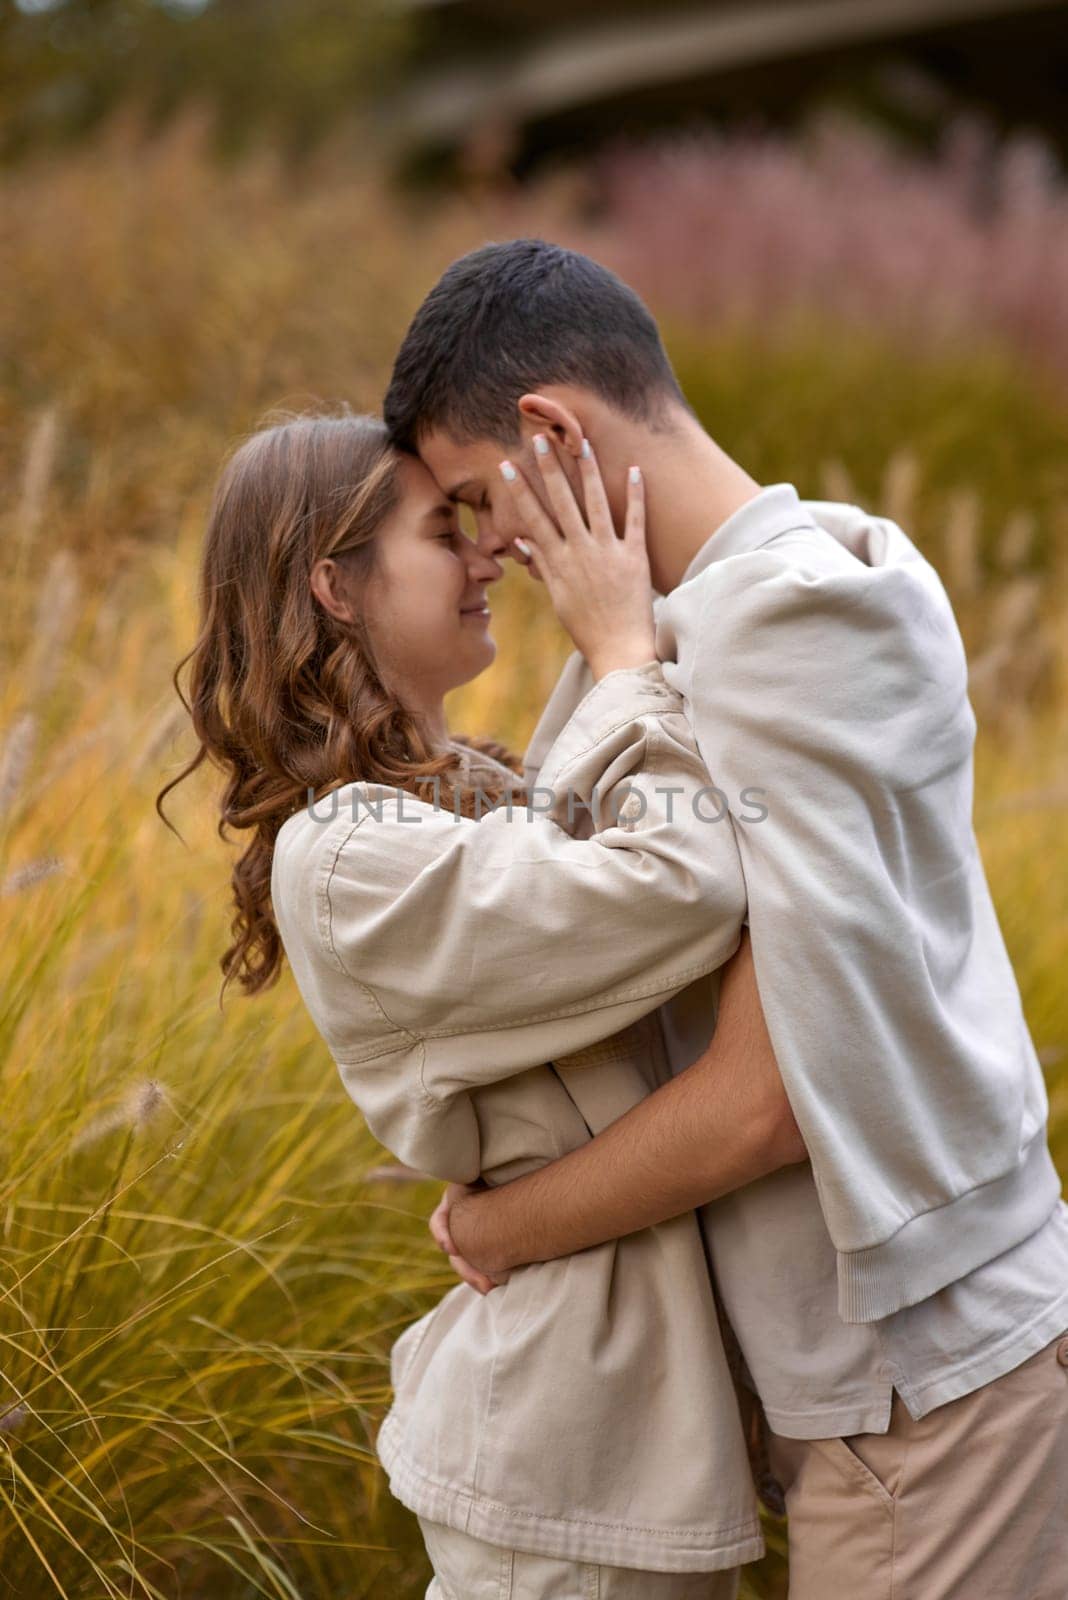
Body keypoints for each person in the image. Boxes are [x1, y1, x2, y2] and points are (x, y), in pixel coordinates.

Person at [382, 238, 1068, 1600]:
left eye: (476, 498)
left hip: (926, 1399)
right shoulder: (691, 621)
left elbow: (769, 1097)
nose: (489, 550)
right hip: (873, 1392)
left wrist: (501, 1232)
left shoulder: (777, 625)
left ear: (551, 431)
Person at [159, 406, 809, 1599]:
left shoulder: (469, 794)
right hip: (562, 1465)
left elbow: (643, 796)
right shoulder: (346, 857)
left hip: (620, 1445)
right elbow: (685, 877)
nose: (486, 558)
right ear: (336, 587)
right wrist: (621, 652)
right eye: (442, 532)